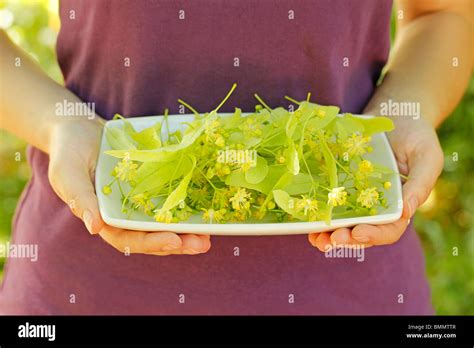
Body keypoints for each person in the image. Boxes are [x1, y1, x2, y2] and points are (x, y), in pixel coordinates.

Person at [0, 0, 471, 314]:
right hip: (84, 287)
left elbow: (443, 13)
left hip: (353, 284)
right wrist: (61, 123)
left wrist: (406, 111)